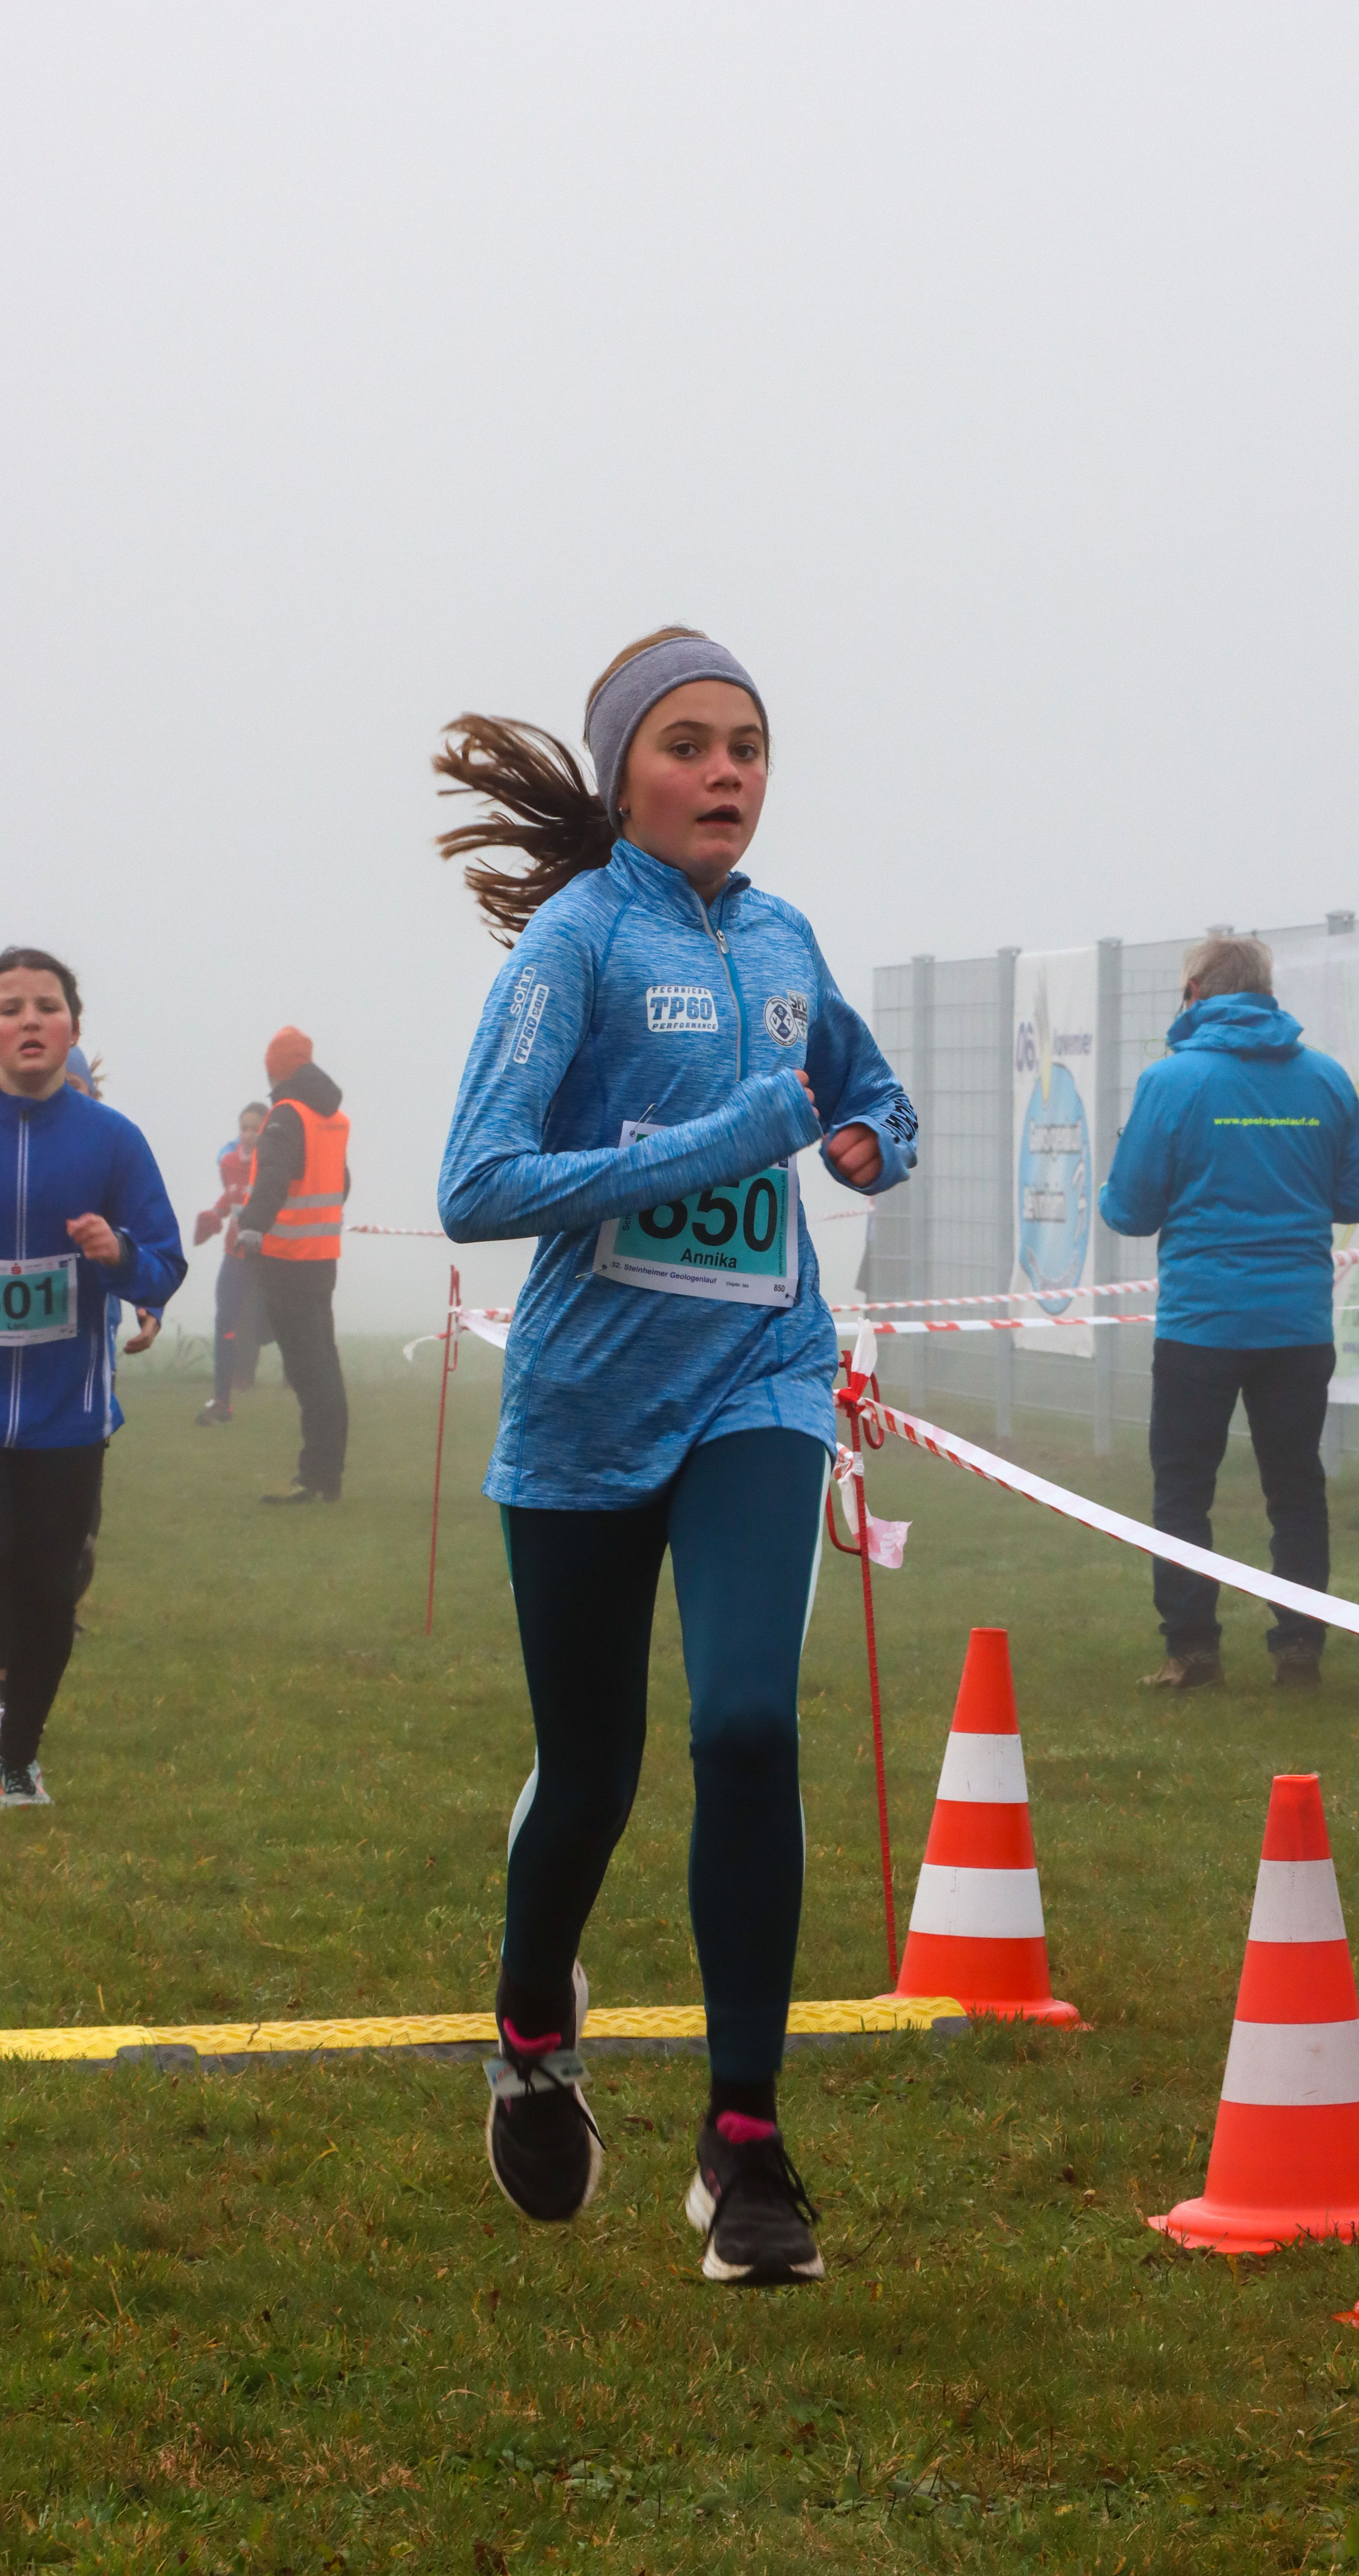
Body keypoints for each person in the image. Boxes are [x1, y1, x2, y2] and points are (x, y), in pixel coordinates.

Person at [436, 627, 916, 2285]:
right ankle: (529, 2029)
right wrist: (726, 1139)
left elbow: (866, 1092)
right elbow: (477, 1184)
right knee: (591, 1775)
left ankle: (745, 2142)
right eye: (690, 745)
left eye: (748, 747)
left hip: (759, 1383)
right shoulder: (573, 943)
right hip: (585, 1413)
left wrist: (868, 1138)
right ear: (625, 774)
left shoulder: (782, 939)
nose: (726, 773)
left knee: (748, 1722)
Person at [0, 946, 185, 1805]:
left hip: (69, 1406)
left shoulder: (114, 1141)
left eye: (48, 1006)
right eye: (10, 1007)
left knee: (49, 1592)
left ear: (74, 1028)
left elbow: (163, 1262)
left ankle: (17, 1758)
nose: (30, 1020)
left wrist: (120, 1255)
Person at [1098, 933, 1359, 1693]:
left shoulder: (1172, 1081)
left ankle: (1192, 1651)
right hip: (1297, 1323)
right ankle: (1300, 1649)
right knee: (1296, 1489)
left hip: (1202, 1322)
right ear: (1266, 992)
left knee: (1183, 1489)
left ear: (1194, 992)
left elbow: (1130, 1211)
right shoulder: (1325, 1079)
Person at [234, 1032, 350, 1504]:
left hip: (287, 1261)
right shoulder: (332, 1118)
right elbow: (342, 1183)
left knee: (308, 1374)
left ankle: (314, 1478)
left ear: (276, 1070)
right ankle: (328, 1477)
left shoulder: (285, 1115)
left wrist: (251, 1227)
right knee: (326, 1369)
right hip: (322, 1258)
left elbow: (273, 1178)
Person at [192, 1101, 271, 1424]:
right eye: (244, 1128)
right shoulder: (228, 1162)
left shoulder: (274, 1163)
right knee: (225, 1323)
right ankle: (222, 1401)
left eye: (256, 1128)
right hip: (235, 1254)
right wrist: (215, 1214)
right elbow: (231, 1196)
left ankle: (304, 1390)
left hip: (270, 1258)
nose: (249, 1135)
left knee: (271, 1326)